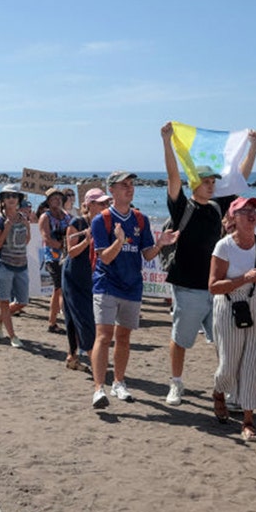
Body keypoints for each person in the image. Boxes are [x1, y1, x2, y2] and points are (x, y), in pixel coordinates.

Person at [160, 122, 256, 406]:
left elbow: (240, 179)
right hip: (188, 286)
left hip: (216, 288)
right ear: (195, 182)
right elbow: (171, 176)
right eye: (207, 181)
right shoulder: (183, 206)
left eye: (213, 182)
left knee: (224, 342)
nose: (212, 185)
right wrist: (167, 142)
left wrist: (253, 147)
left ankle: (226, 388)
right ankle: (176, 384)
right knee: (181, 339)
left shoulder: (218, 207)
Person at [89, 172, 172, 409]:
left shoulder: (140, 219)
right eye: (124, 185)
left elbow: (146, 254)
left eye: (131, 184)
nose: (130, 188)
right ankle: (98, 389)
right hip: (106, 284)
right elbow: (104, 258)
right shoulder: (101, 220)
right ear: (111, 190)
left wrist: (160, 244)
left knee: (124, 338)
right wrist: (119, 241)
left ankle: (119, 382)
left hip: (132, 285)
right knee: (104, 336)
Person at [208, 197, 256, 439]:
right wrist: (245, 279)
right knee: (229, 364)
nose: (252, 215)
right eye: (245, 211)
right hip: (230, 304)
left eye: (254, 210)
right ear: (233, 217)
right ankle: (219, 392)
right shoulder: (224, 247)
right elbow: (214, 286)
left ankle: (248, 421)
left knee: (255, 362)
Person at [62, 188, 110, 374]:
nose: (105, 206)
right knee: (83, 319)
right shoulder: (77, 222)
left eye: (107, 203)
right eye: (101, 203)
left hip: (91, 277)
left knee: (79, 319)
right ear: (89, 205)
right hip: (74, 276)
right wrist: (87, 240)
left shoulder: (103, 223)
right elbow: (71, 252)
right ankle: (97, 364)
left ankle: (72, 357)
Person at [0, 184, 31, 347]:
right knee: (5, 301)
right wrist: (6, 230)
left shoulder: (22, 218)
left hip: (21, 265)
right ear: (3, 201)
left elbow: (25, 241)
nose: (11, 199)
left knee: (23, 301)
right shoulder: (0, 220)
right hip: (4, 266)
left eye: (14, 196)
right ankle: (12, 336)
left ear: (19, 199)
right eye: (7, 197)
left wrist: (26, 229)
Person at [39, 188, 72, 334]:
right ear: (48, 201)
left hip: (66, 256)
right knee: (58, 288)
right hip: (52, 257)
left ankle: (58, 320)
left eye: (59, 198)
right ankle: (52, 321)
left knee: (63, 289)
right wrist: (63, 245)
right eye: (54, 198)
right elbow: (46, 238)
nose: (58, 200)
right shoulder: (45, 217)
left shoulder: (66, 216)